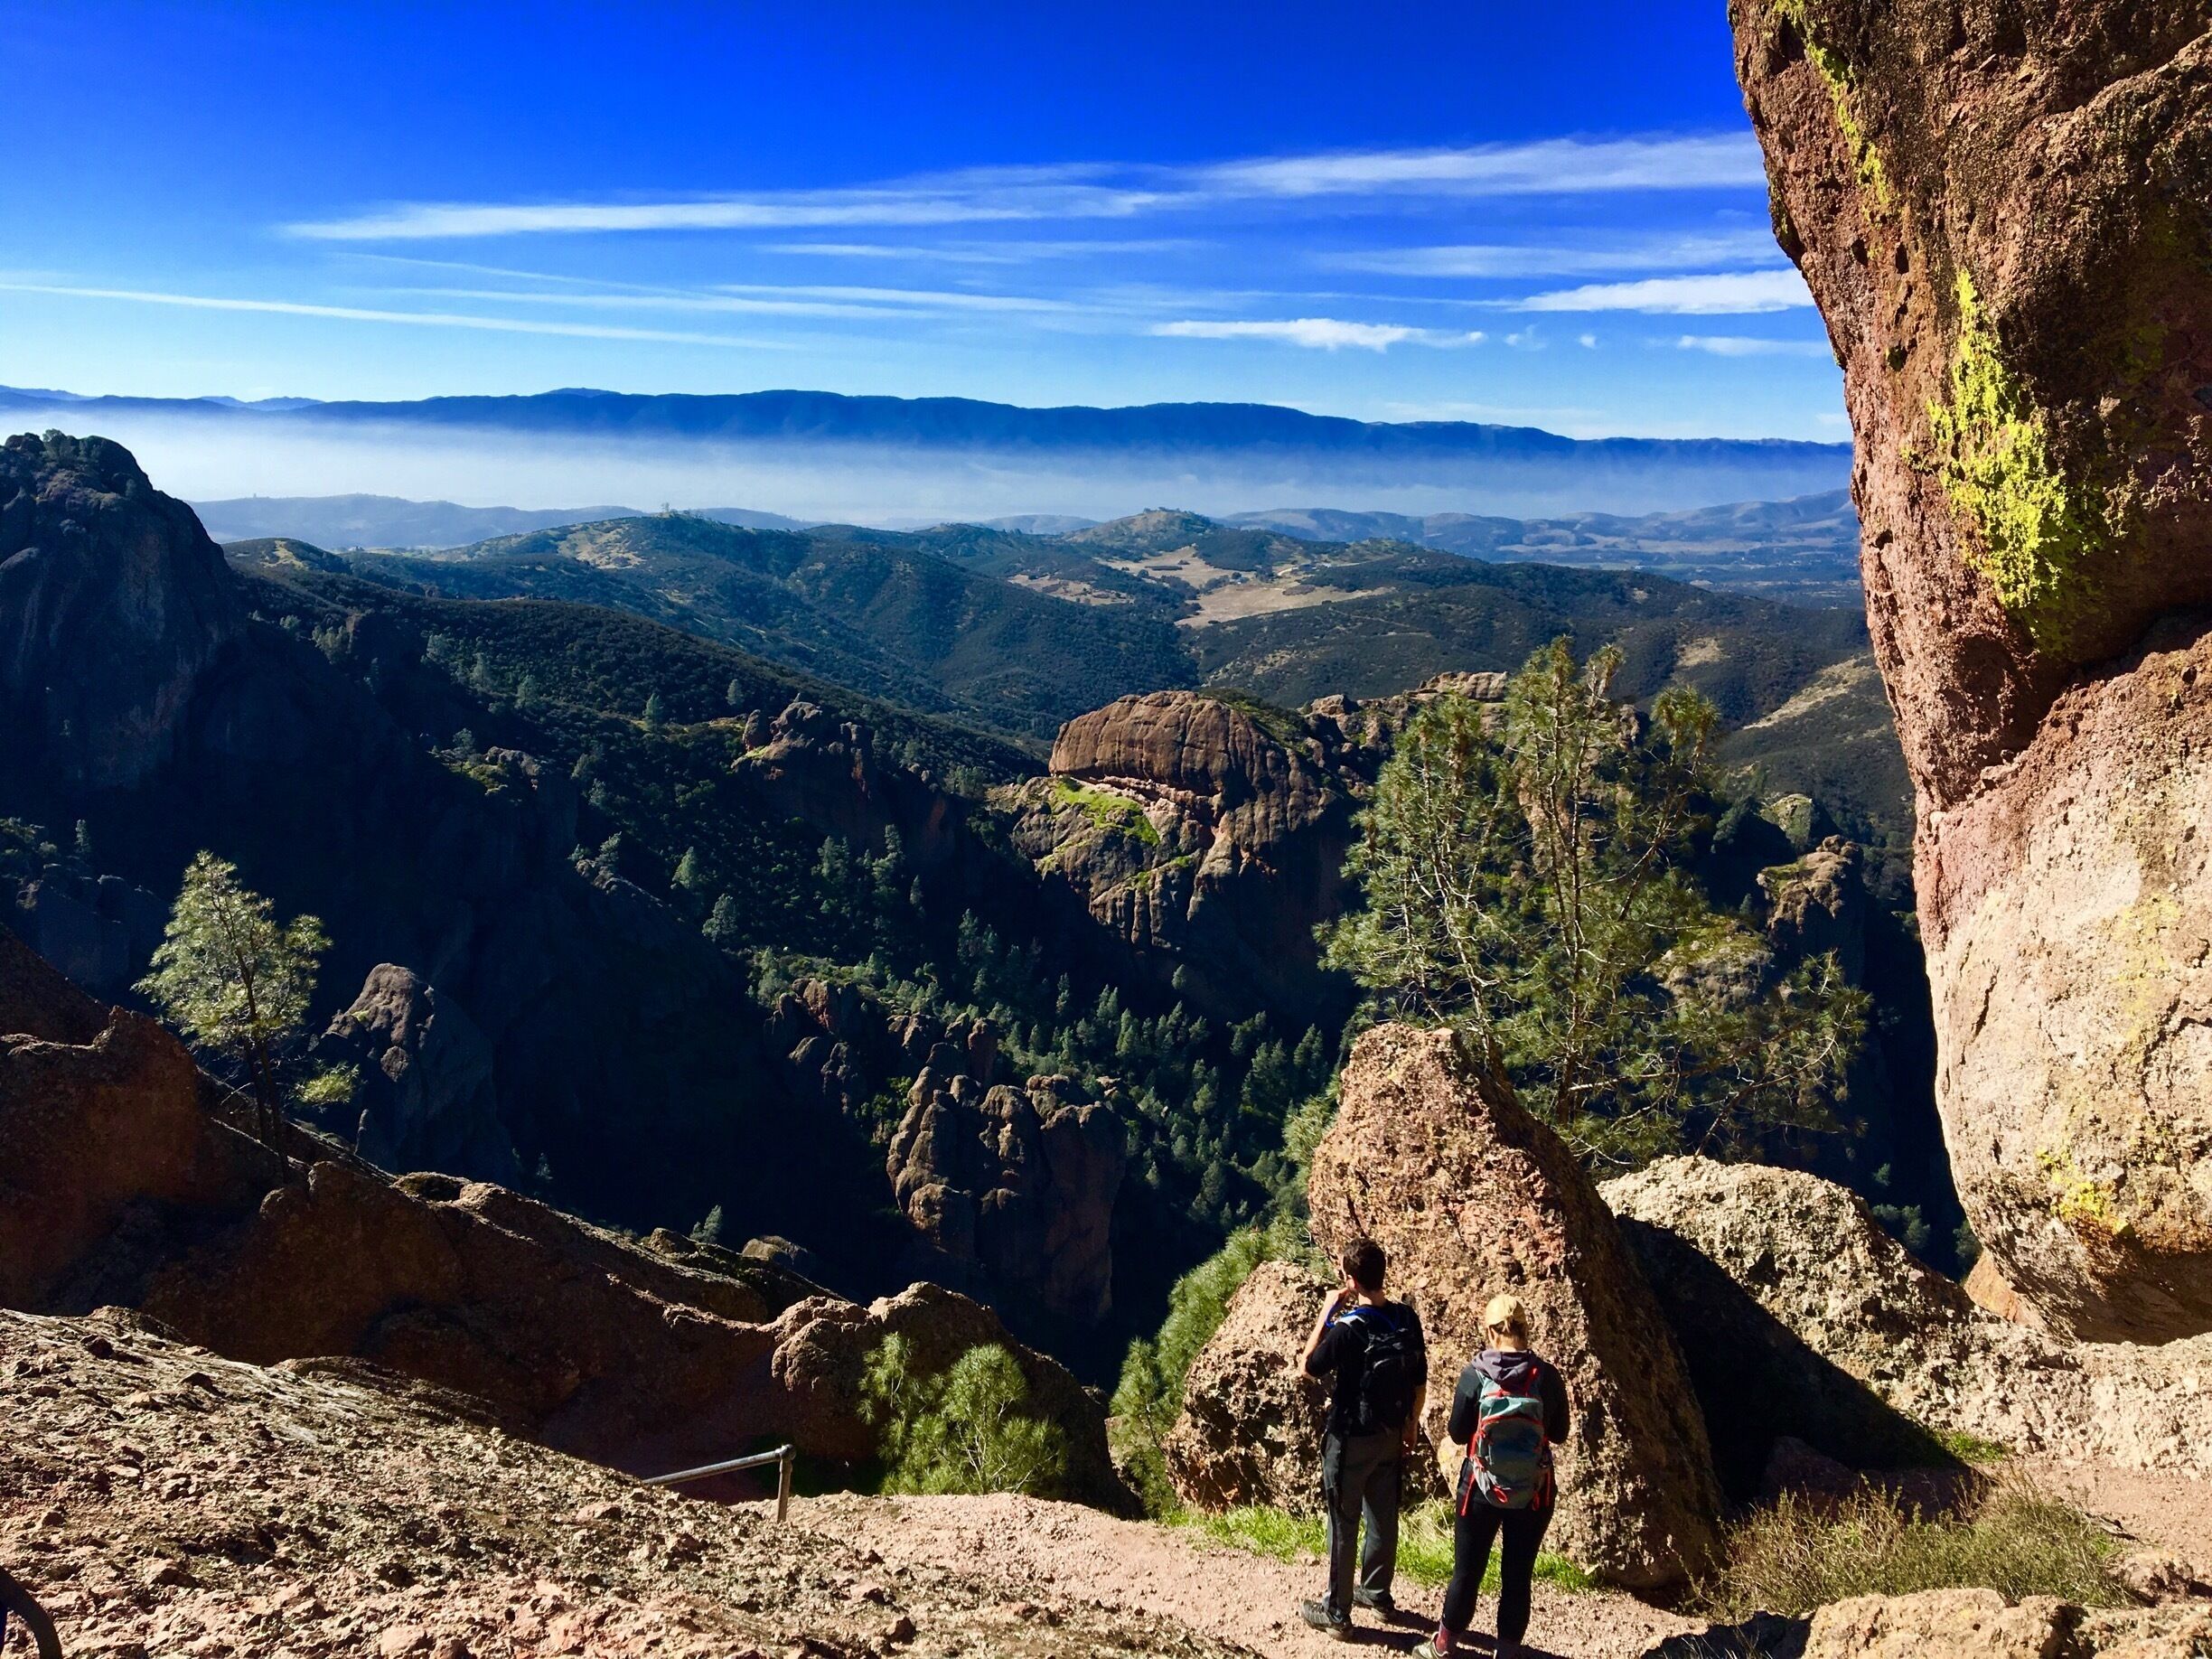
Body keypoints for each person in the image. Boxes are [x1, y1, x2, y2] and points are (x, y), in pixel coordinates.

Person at [1416, 1293, 1572, 1659]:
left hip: (1480, 1489)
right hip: (1534, 1492)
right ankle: (1506, 1653)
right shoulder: (1546, 1377)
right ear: (1525, 1329)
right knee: (1517, 1578)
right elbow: (1561, 1434)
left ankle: (1442, 1647)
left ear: (1489, 1331)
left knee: (1467, 1573)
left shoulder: (1475, 1375)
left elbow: (1456, 1433)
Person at [1297, 1236, 1427, 1640]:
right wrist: (1411, 1422)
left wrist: (1325, 1314)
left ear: (1350, 1280)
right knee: (1383, 1517)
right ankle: (1376, 1593)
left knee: (1343, 1522)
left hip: (1350, 1437)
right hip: (1391, 1432)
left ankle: (1336, 1612)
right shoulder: (1406, 1318)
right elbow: (1419, 1376)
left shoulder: (1348, 1328)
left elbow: (1308, 1367)